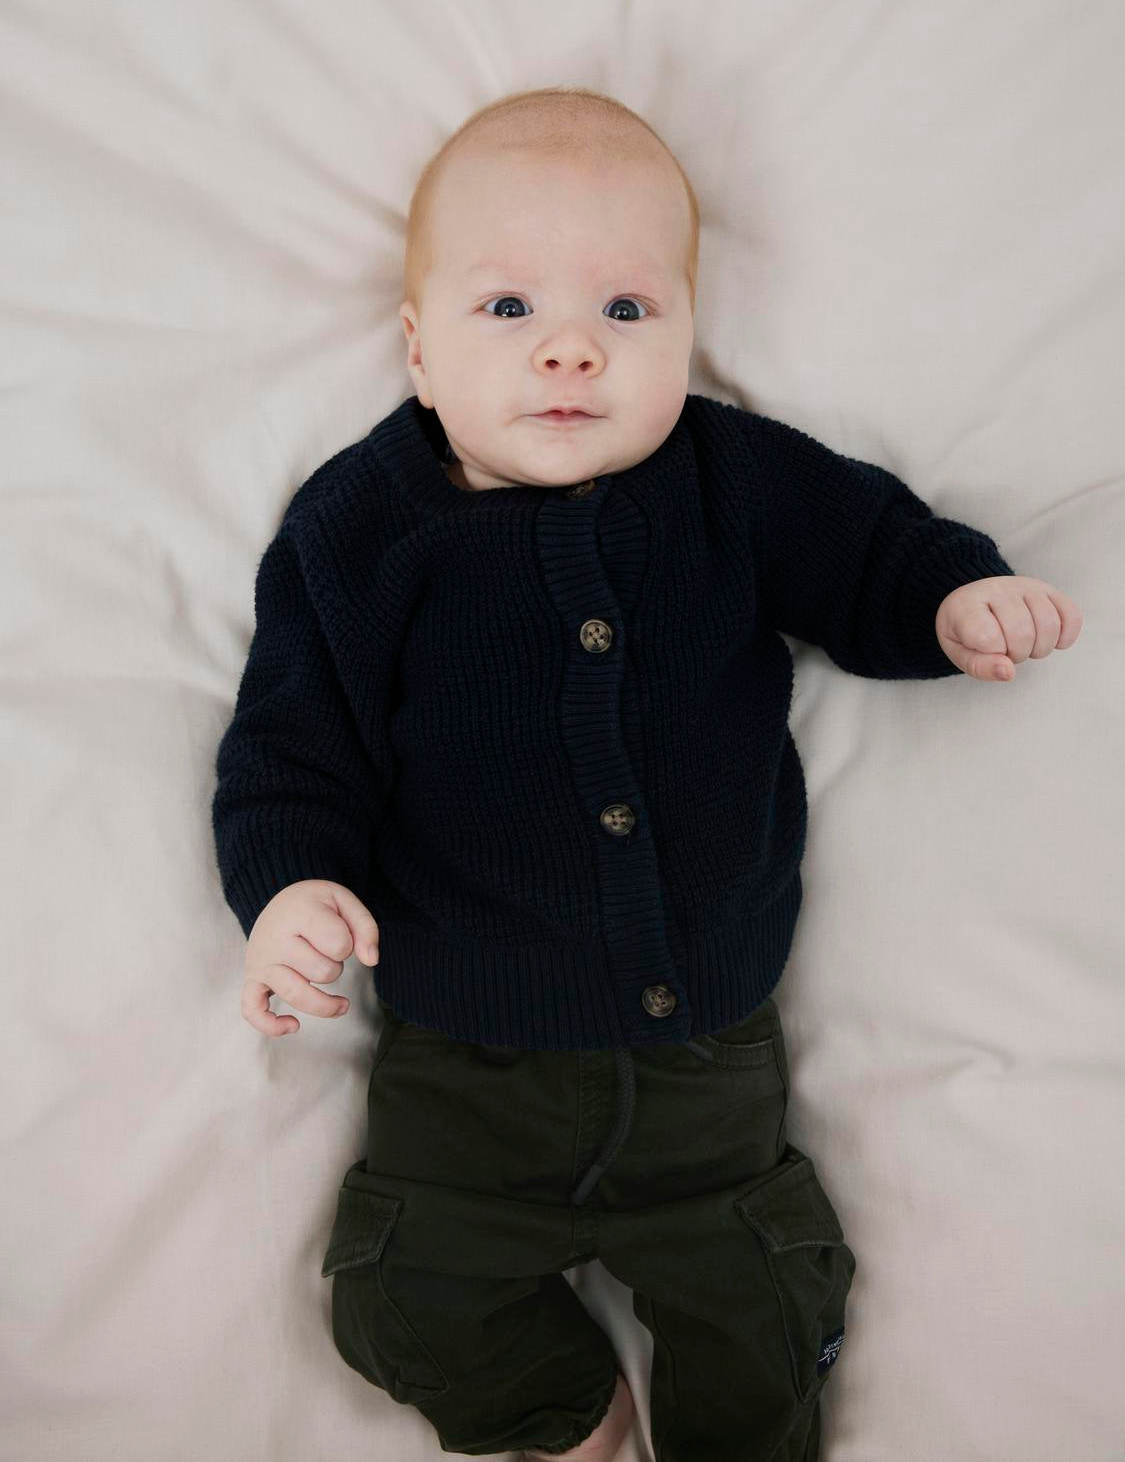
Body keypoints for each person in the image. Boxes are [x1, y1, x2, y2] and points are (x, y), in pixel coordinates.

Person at [211, 86, 1083, 1461]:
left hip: (705, 1056)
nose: (570, 349)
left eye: (625, 310)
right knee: (399, 1295)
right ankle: (563, 1410)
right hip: (465, 1063)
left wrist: (948, 600)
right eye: (508, 308)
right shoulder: (360, 530)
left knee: (765, 1302)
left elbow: (864, 548)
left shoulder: (728, 478)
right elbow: (289, 745)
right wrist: (288, 889)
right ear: (419, 348)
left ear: (687, 331)